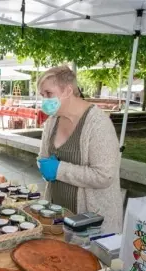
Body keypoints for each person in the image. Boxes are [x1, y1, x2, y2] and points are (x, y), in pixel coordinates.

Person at [37, 65, 122, 234]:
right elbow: (42, 158)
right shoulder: (52, 121)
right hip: (58, 215)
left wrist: (59, 170)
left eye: (48, 94)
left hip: (91, 222)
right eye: (42, 95)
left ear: (68, 91)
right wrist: (44, 166)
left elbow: (104, 176)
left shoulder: (98, 124)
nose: (44, 100)